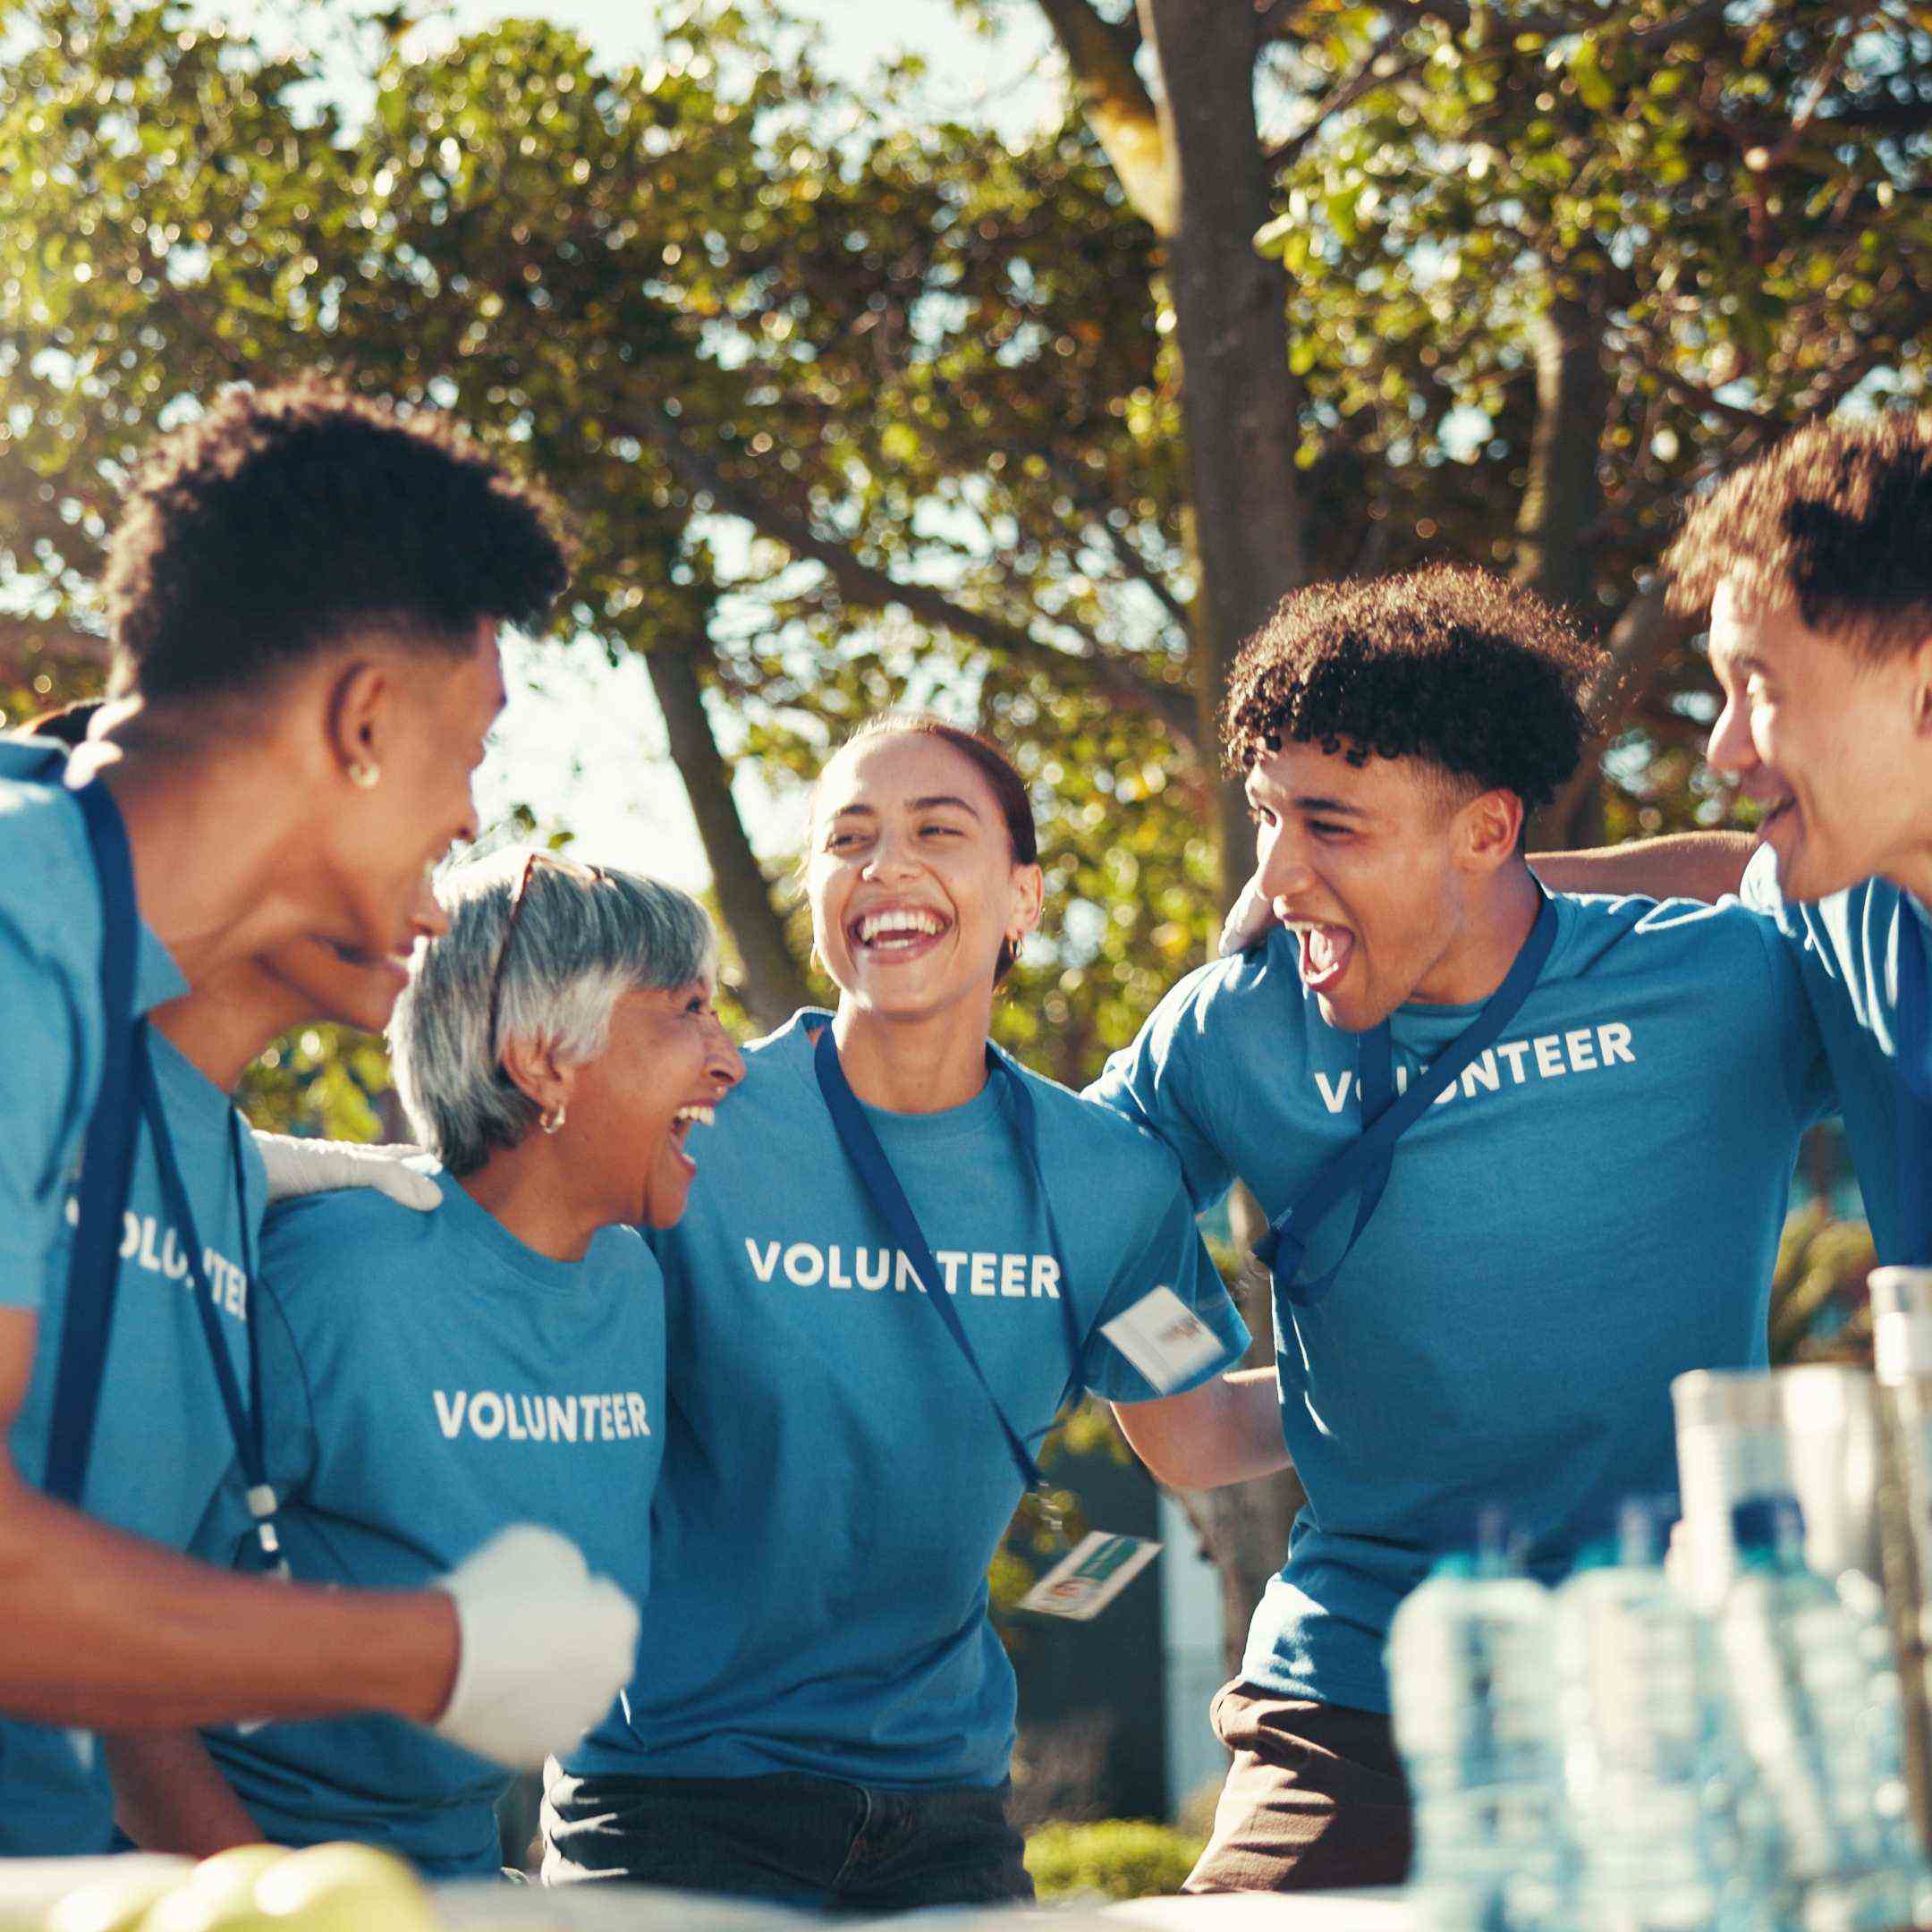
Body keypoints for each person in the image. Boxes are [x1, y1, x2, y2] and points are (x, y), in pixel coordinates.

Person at [1085, 566, 1833, 1893]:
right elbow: (1078, 1226)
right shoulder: (1226, 1033)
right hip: (1350, 1695)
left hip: (1672, 1683)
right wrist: (1223, 1390)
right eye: (1267, 817)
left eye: (1333, 827)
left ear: (1487, 835)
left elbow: (1781, 872)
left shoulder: (1721, 989)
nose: (1277, 879)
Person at [0, 381, 639, 1856]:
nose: (473, 818)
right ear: (361, 717)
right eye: (472, 744)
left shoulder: (98, 990)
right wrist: (437, 1650)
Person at [537, 713, 1267, 1911]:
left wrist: (1404, 1390)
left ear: (1022, 898)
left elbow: (1189, 1432)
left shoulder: (1107, 1188)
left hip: (942, 1816)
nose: (887, 867)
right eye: (849, 839)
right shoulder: (693, 1116)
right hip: (677, 1797)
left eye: (938, 830)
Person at [105, 852, 742, 1875]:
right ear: (543, 1062)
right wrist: (273, 1899)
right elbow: (101, 1658)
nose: (730, 1061)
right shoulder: (330, 1281)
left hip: (453, 1878)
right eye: (689, 1010)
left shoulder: (631, 1285)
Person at [1505, 415, 1932, 1269]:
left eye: (1759, 688)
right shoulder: (1861, 899)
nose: (1723, 748)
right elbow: (1735, 875)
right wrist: (1417, 881)